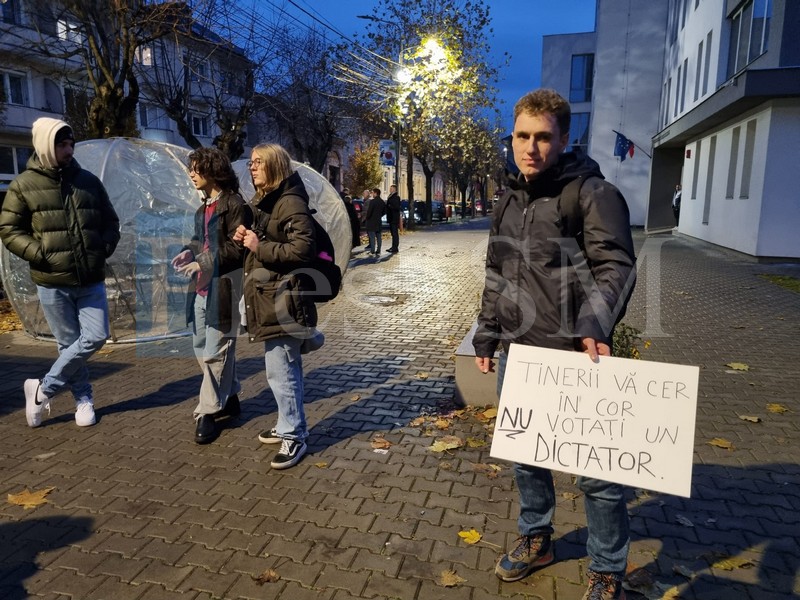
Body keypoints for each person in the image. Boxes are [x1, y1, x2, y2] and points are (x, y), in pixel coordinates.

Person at [473, 89, 636, 600]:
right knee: (528, 459)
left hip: (576, 356)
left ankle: (608, 566)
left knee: (597, 476)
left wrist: (595, 322)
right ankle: (537, 539)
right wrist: (487, 331)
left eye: (543, 137)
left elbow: (615, 265)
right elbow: (497, 271)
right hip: (519, 355)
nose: (531, 147)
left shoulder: (591, 193)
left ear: (564, 139)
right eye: (522, 136)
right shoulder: (507, 195)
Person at [0, 117, 120, 428]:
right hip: (52, 281)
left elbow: (110, 221)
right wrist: (41, 254)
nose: (68, 150)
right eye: (61, 144)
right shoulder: (23, 185)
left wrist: (103, 247)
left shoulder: (88, 181)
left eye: (70, 144)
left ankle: (41, 390)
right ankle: (83, 398)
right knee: (69, 345)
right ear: (44, 145)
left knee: (96, 336)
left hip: (90, 277)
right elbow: (9, 229)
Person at [233, 143, 317, 469]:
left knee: (282, 372)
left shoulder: (290, 201)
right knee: (279, 369)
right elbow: (267, 240)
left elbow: (302, 250)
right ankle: (287, 424)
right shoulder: (267, 201)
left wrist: (260, 245)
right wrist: (247, 236)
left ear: (274, 166)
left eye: (258, 163)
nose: (252, 168)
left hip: (284, 299)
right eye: (251, 162)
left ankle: (294, 435)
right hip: (271, 298)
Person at [171, 147, 251, 445]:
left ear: (212, 169)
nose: (191, 173)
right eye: (190, 168)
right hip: (201, 290)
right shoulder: (202, 208)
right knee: (201, 347)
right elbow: (199, 239)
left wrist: (201, 261)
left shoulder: (234, 205)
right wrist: (186, 252)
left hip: (225, 289)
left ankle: (207, 412)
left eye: (196, 168)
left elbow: (236, 249)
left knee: (216, 352)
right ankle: (228, 396)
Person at [363, 188, 385, 256]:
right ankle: (378, 250)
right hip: (378, 221)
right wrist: (379, 215)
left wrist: (367, 218)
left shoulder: (372, 202)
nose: (372, 194)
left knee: (372, 237)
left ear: (375, 193)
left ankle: (372, 250)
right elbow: (384, 211)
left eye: (373, 193)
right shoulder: (382, 202)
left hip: (371, 221)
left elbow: (369, 212)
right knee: (378, 236)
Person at [385, 184, 402, 253]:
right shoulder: (391, 196)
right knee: (393, 233)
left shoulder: (396, 197)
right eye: (390, 188)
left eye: (391, 189)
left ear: (394, 189)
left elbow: (396, 207)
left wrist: (389, 206)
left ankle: (395, 248)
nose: (390, 190)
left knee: (394, 233)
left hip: (393, 218)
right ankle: (393, 247)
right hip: (391, 217)